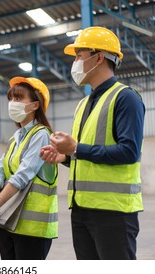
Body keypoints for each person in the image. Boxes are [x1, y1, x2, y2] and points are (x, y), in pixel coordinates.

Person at [40, 26, 145, 260]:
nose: (75, 62)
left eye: (79, 55)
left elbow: (129, 152)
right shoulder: (84, 103)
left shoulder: (125, 98)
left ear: (98, 57)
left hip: (113, 212)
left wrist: (75, 148)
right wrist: (65, 156)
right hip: (82, 209)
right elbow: (88, 154)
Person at [0, 77, 58, 260]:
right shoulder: (15, 138)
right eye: (11, 99)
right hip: (8, 221)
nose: (12, 104)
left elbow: (22, 175)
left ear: (34, 105)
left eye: (18, 99)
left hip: (32, 229)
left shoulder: (41, 134)